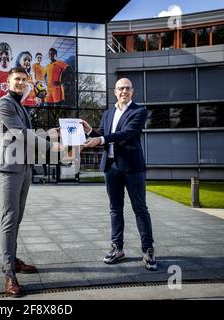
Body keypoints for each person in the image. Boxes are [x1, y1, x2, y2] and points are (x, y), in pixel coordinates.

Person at [0, 67, 65, 297]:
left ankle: (12, 260)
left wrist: (51, 132)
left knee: (17, 218)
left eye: (24, 80)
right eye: (17, 80)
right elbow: (22, 134)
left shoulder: (20, 105)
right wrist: (52, 146)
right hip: (8, 169)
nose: (21, 83)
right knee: (10, 219)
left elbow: (28, 134)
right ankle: (9, 274)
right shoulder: (4, 104)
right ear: (8, 81)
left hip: (23, 168)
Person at [81, 78, 157, 271]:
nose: (124, 91)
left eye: (127, 88)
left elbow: (126, 133)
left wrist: (100, 138)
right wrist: (90, 131)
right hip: (111, 167)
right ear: (115, 92)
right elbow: (104, 135)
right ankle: (117, 248)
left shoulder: (139, 112)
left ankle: (148, 250)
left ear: (133, 91)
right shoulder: (108, 113)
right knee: (115, 209)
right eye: (121, 88)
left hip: (132, 167)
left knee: (140, 209)